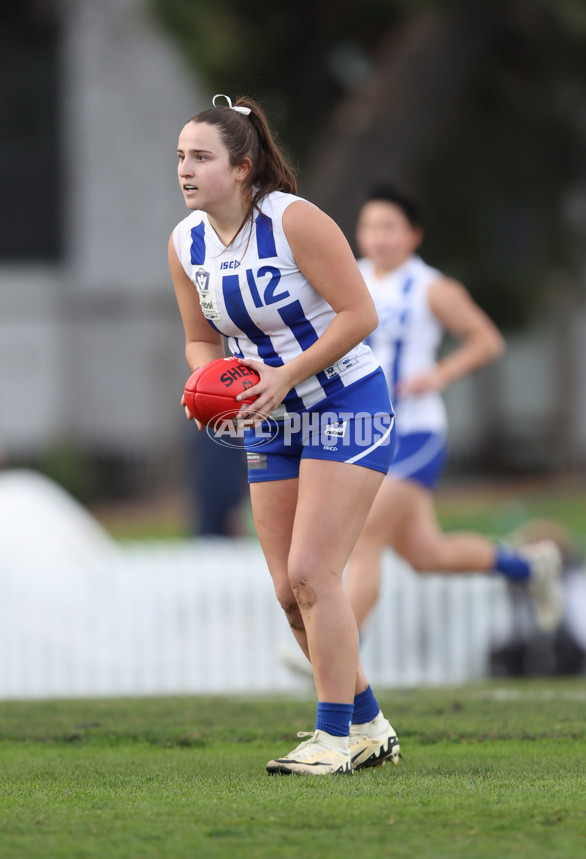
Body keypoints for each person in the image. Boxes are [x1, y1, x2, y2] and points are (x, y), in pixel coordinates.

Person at [168, 94, 400, 775]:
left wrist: (282, 375)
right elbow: (197, 340)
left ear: (242, 168)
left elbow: (360, 314)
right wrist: (209, 388)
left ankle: (332, 738)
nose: (185, 169)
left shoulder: (294, 220)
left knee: (312, 571)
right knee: (285, 587)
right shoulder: (186, 242)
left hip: (345, 402)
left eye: (201, 157)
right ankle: (370, 724)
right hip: (272, 417)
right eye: (180, 157)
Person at [345, 184, 564, 638]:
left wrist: (439, 374)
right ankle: (528, 567)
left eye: (388, 227)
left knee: (363, 535)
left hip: (418, 433)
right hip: (367, 433)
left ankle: (334, 654)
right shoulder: (348, 279)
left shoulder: (432, 287)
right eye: (368, 227)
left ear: (413, 235)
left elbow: (487, 339)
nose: (376, 237)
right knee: (427, 555)